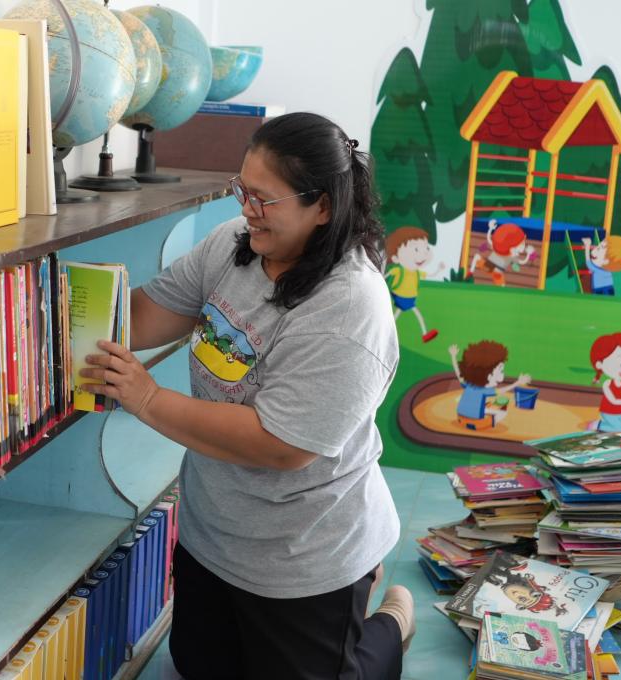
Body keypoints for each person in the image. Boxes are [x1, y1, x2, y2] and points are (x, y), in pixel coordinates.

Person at [81, 112, 410, 679]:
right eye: (242, 190)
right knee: (196, 667)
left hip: (305, 556)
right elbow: (145, 315)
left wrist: (148, 399)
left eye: (264, 199)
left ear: (322, 206)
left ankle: (391, 622)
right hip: (215, 536)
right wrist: (59, 317)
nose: (247, 209)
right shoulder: (236, 243)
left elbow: (281, 445)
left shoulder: (350, 306)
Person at [449, 341, 531, 428]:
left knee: (485, 405)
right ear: (488, 375)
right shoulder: (484, 390)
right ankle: (490, 423)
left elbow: (458, 373)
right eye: (500, 371)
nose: (502, 376)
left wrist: (453, 356)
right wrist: (517, 383)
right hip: (476, 421)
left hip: (460, 415)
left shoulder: (468, 383)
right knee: (502, 412)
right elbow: (500, 391)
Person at [384, 226, 444, 343]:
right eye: (416, 249)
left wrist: (439, 269)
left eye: (426, 248)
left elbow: (430, 275)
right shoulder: (399, 271)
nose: (423, 255)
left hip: (410, 297)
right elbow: (385, 276)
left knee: (400, 314)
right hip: (400, 296)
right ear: (395, 258)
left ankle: (424, 334)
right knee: (407, 314)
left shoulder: (417, 272)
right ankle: (389, 333)